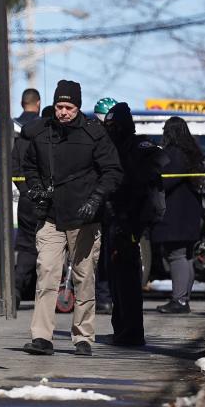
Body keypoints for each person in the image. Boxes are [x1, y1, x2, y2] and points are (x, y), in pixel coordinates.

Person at [21, 80, 123, 356]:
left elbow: (113, 171)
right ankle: (42, 337)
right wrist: (35, 188)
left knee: (84, 278)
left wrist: (95, 199)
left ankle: (83, 337)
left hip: (84, 219)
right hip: (51, 217)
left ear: (78, 107)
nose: (63, 112)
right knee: (46, 275)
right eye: (59, 106)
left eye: (69, 107)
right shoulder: (42, 133)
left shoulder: (94, 133)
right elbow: (28, 165)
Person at [102, 102, 168, 346]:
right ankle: (121, 329)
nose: (110, 129)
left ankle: (131, 332)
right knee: (116, 279)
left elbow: (159, 161)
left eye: (113, 125)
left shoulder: (137, 146)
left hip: (130, 221)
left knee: (128, 280)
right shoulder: (114, 147)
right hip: (115, 218)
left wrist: (130, 209)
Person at [153, 116, 205, 314]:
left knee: (177, 256)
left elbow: (164, 182)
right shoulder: (192, 154)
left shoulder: (174, 154)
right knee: (186, 257)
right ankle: (183, 298)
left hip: (176, 217)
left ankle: (179, 300)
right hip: (190, 216)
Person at [11, 89, 42, 308]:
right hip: (45, 197)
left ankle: (16, 288)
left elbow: (14, 166)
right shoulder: (44, 130)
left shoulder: (14, 132)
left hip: (23, 199)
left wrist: (24, 188)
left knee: (26, 246)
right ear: (38, 103)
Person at [92, 97, 118, 314]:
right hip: (112, 205)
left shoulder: (95, 137)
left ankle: (104, 296)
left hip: (105, 203)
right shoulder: (123, 139)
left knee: (102, 254)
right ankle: (107, 297)